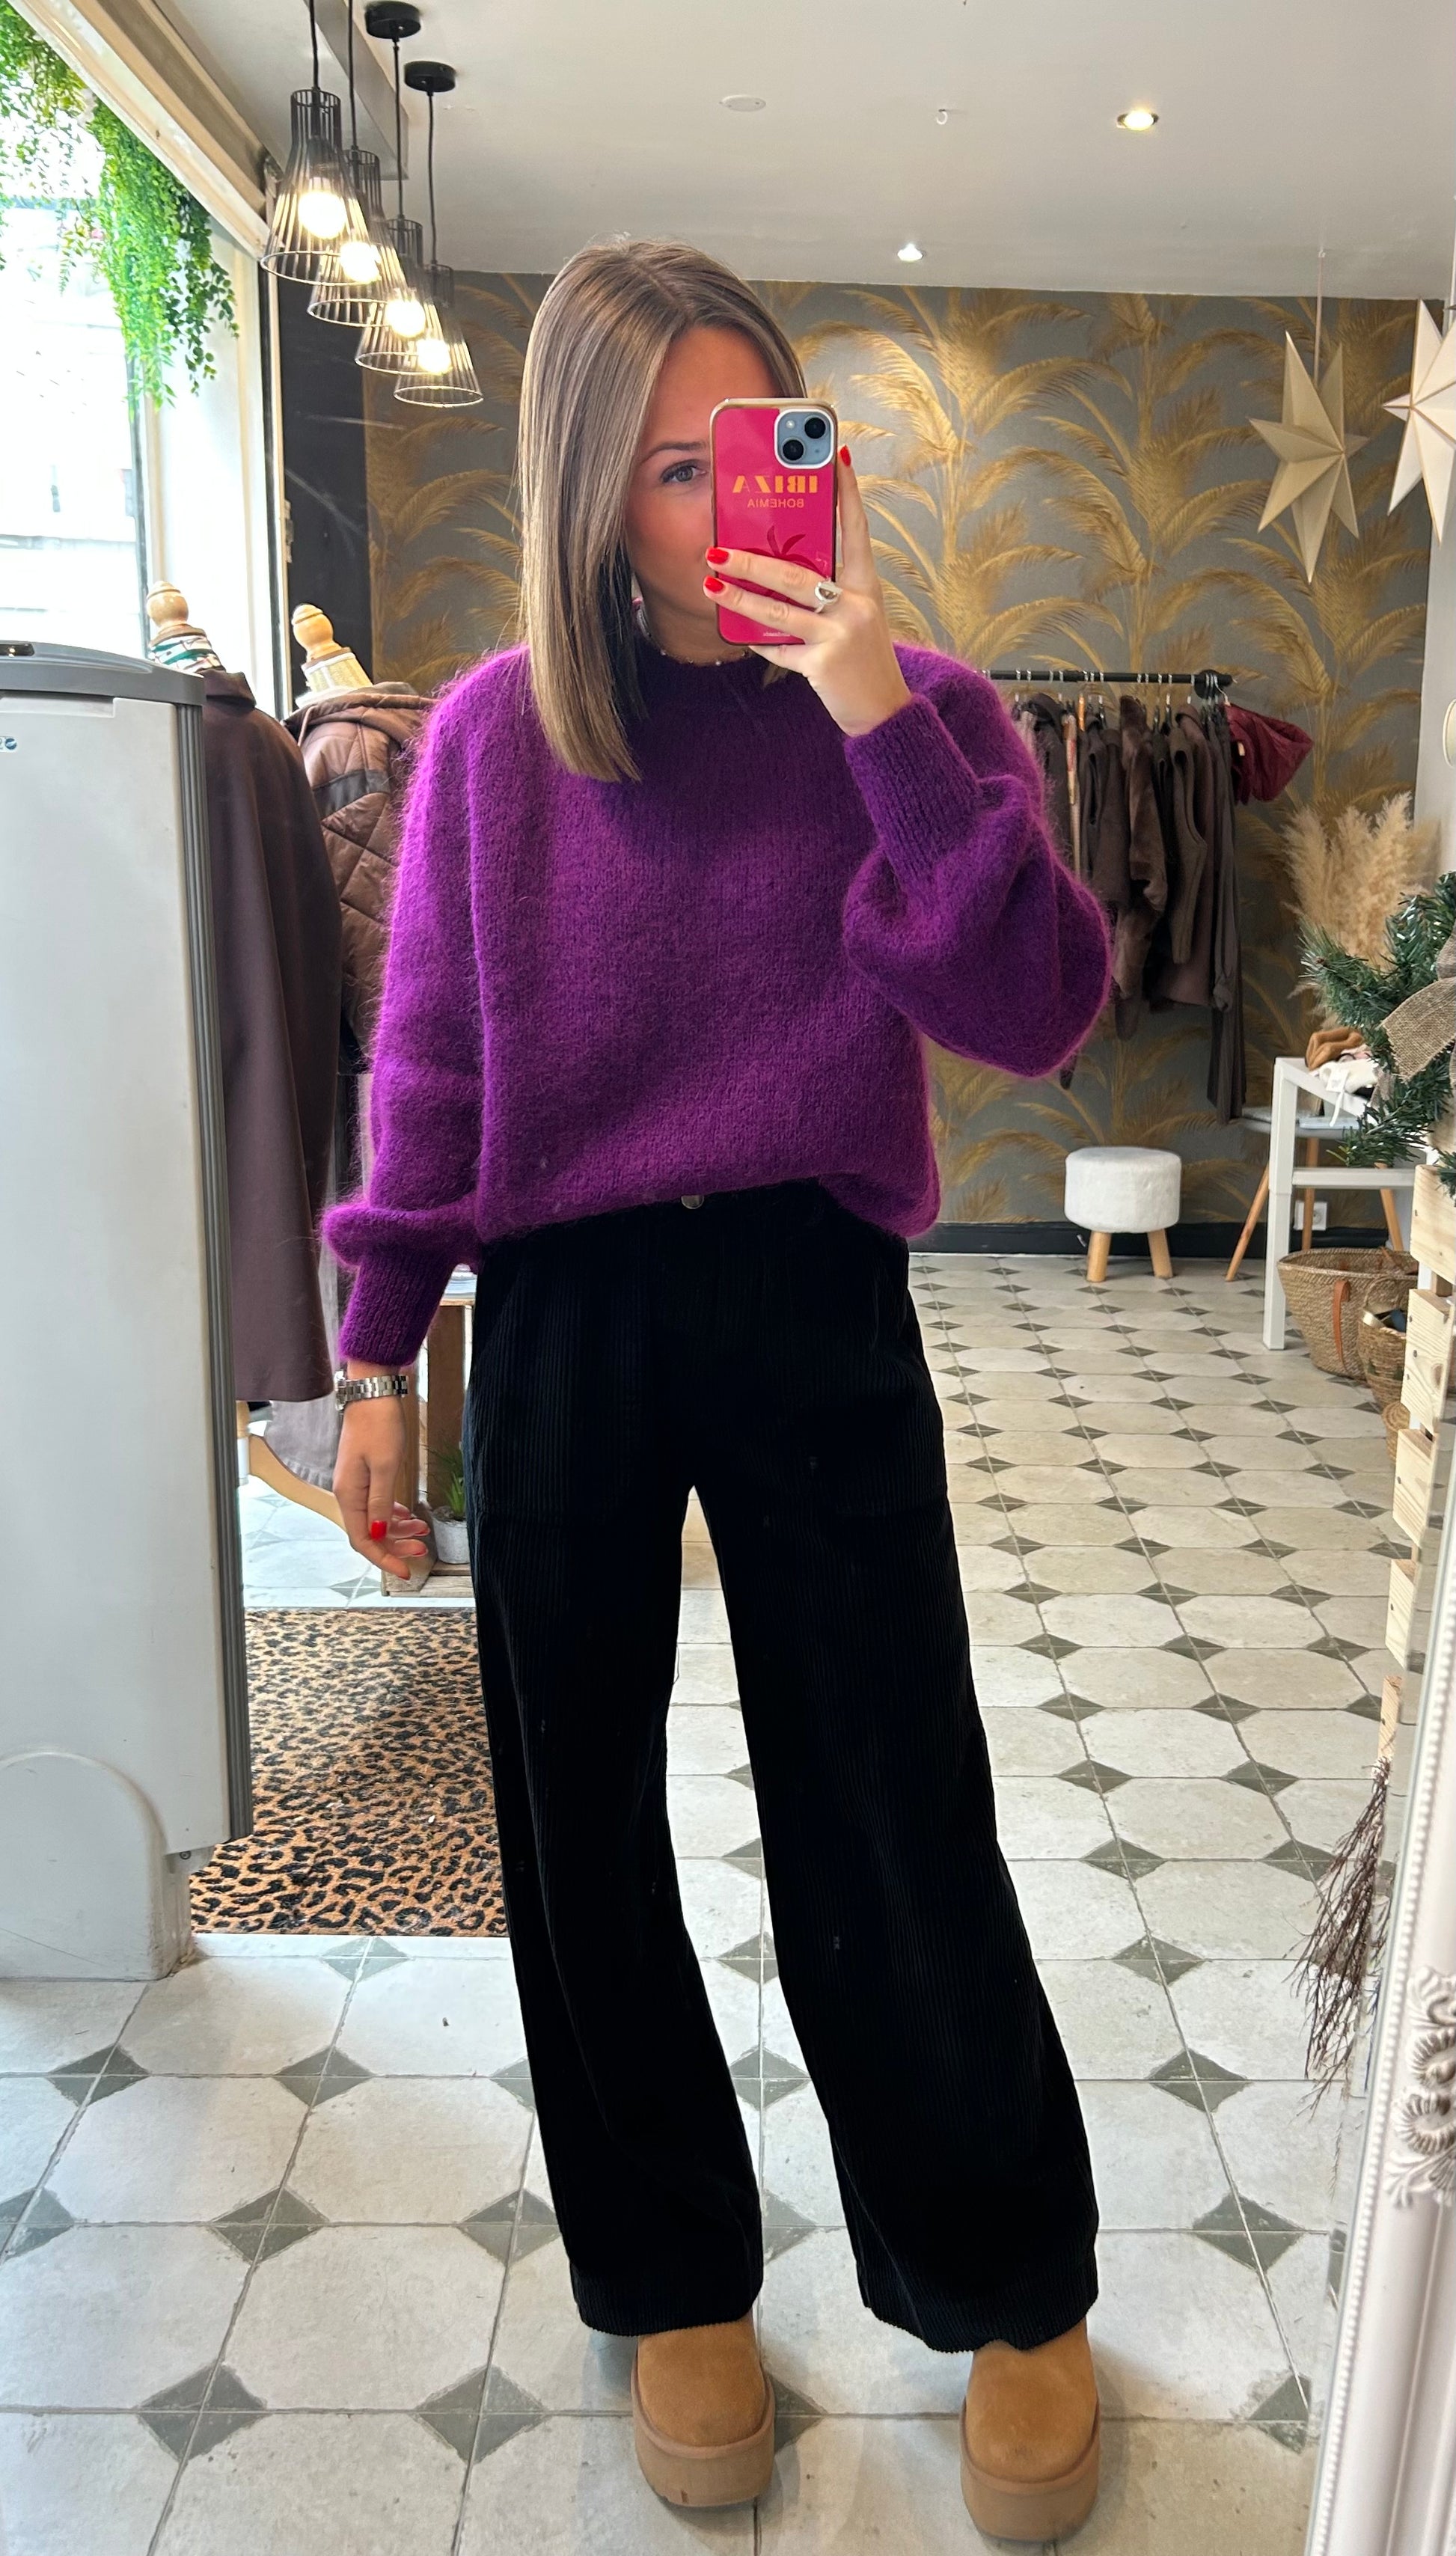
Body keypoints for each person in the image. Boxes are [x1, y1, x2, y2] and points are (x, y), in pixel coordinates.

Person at [326, 238, 1112, 2543]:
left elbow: (1034, 1006)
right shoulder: (498, 738)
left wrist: (871, 709)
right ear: (588, 483)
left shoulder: (920, 707)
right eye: (664, 464)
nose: (714, 503)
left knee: (890, 1797)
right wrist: (374, 1347)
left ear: (814, 453)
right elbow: (432, 1057)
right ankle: (669, 2277)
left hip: (810, 1291)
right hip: (566, 1307)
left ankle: (1001, 2276)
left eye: (755, 445)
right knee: (572, 1822)